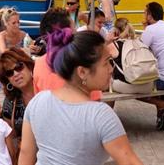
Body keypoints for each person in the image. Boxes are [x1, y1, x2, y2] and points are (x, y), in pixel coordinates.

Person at [19, 28, 142, 165]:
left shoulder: (38, 101)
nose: (111, 69)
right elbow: (130, 161)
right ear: (82, 72)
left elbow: (25, 153)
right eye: (106, 62)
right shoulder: (99, 115)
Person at [0, 49, 35, 151]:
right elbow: (11, 136)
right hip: (26, 152)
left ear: (29, 66)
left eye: (19, 67)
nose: (15, 74)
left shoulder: (45, 89)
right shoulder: (11, 101)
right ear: (7, 80)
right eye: (9, 73)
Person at [111, 18, 155, 95]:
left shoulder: (115, 44)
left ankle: (105, 104)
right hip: (147, 85)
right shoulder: (140, 42)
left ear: (116, 30)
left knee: (107, 81)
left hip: (126, 86)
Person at [0, 7, 28, 91]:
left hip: (18, 67)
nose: (17, 25)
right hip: (2, 68)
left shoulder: (23, 34)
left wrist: (35, 48)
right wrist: (24, 50)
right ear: (6, 23)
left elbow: (32, 45)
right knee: (2, 83)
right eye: (14, 23)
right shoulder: (1, 35)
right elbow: (3, 51)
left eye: (18, 22)